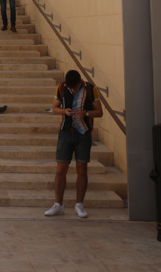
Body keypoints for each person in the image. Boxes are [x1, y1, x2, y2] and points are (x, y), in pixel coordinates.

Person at [45, 70, 103, 218]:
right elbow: (55, 108)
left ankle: (79, 204)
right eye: (71, 88)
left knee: (82, 168)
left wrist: (86, 113)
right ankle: (58, 204)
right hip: (65, 132)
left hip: (83, 133)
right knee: (60, 170)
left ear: (80, 82)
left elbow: (99, 111)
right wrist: (64, 111)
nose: (73, 90)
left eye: (75, 87)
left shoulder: (91, 89)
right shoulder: (62, 87)